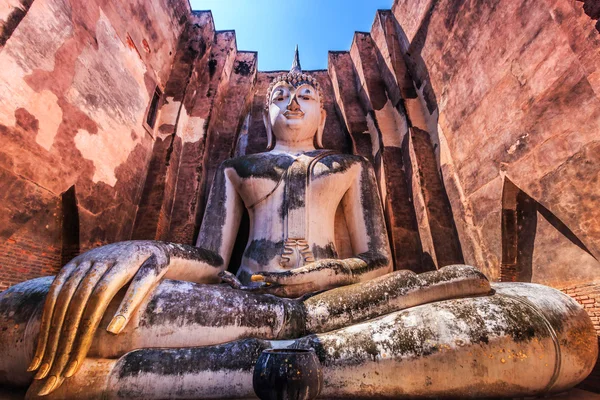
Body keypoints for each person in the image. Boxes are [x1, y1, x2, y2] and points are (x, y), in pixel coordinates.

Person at [0, 50, 596, 399]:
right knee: (29, 311)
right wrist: (154, 255)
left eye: (303, 94)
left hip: (345, 302)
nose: (290, 100)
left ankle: (133, 381)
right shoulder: (240, 167)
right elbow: (210, 260)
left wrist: (331, 273)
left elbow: (379, 259)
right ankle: (314, 363)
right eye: (279, 92)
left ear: (323, 110)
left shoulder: (349, 166)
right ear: (264, 108)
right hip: (246, 305)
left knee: (554, 319)